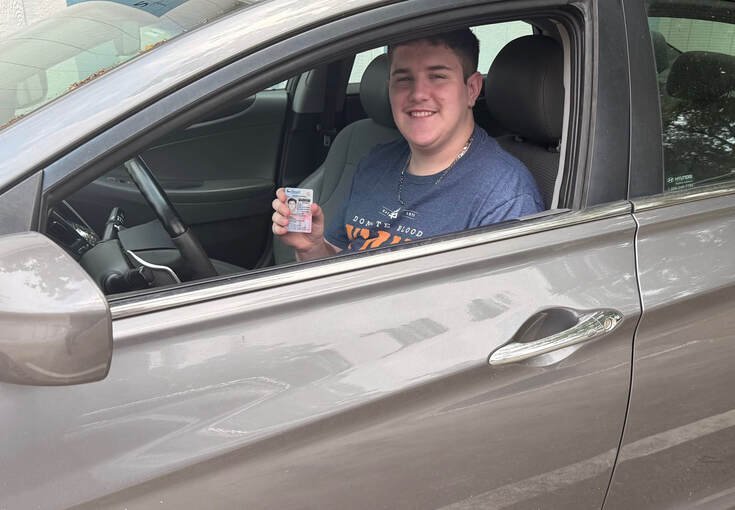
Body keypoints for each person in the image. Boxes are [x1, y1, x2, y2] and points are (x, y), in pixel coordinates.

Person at [272, 28, 543, 261]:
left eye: (437, 76)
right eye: (404, 79)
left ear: (471, 89)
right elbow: (341, 264)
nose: (418, 94)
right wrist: (313, 248)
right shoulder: (375, 162)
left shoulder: (504, 196)